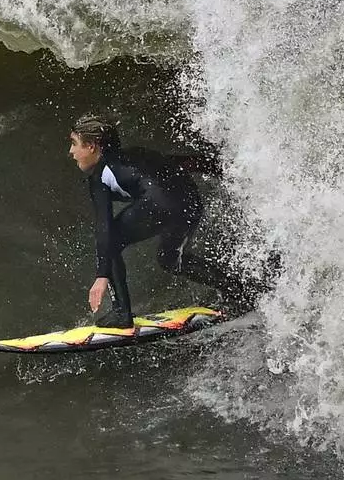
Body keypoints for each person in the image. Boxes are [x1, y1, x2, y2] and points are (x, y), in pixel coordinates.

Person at [67, 112, 269, 328]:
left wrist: (102, 275)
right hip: (190, 201)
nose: (71, 151)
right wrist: (223, 167)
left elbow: (104, 227)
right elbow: (177, 163)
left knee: (112, 241)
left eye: (74, 143)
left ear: (92, 146)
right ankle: (238, 292)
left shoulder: (99, 177)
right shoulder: (137, 154)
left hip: (161, 203)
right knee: (169, 259)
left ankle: (121, 313)